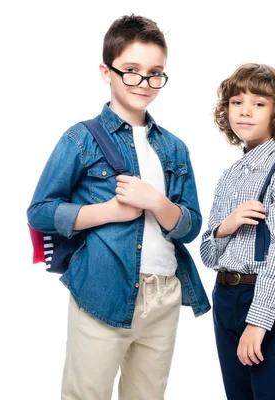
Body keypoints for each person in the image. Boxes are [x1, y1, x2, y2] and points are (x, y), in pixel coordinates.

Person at [27, 14, 210, 400]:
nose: (144, 83)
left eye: (155, 72)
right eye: (131, 70)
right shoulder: (80, 139)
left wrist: (158, 204)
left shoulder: (174, 148)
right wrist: (109, 211)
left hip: (164, 294)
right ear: (106, 71)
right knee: (86, 394)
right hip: (101, 289)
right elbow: (40, 211)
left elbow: (191, 226)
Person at [200, 63, 275, 400]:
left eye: (259, 103)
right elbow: (207, 254)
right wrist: (225, 226)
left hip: (265, 298)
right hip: (226, 297)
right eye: (236, 102)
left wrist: (259, 321)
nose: (245, 111)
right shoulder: (229, 175)